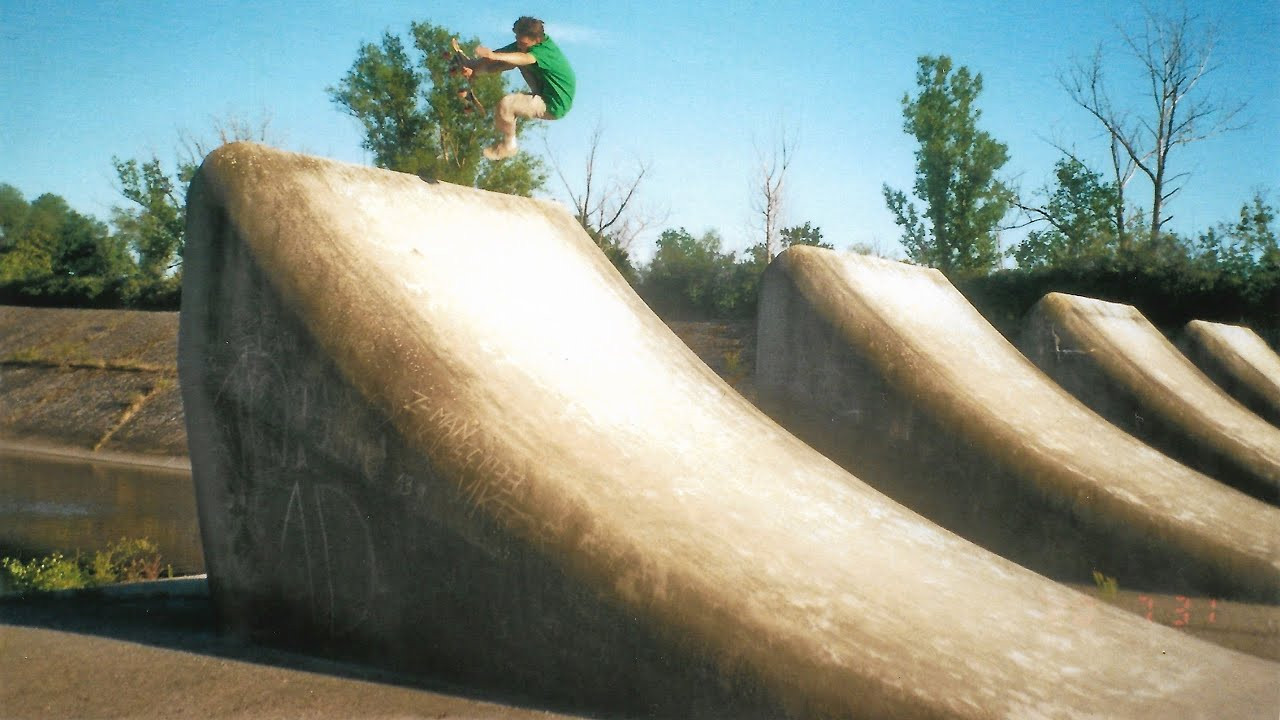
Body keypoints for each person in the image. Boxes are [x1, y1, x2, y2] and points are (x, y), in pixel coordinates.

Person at [463, 16, 576, 161]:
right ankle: (477, 71)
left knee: (507, 104)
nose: (519, 44)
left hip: (555, 103)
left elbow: (525, 59)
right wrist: (474, 66)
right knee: (507, 59)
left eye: (523, 43)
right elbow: (499, 57)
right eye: (517, 39)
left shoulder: (543, 50)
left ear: (537, 40)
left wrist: (493, 55)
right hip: (544, 90)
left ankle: (509, 145)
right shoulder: (523, 44)